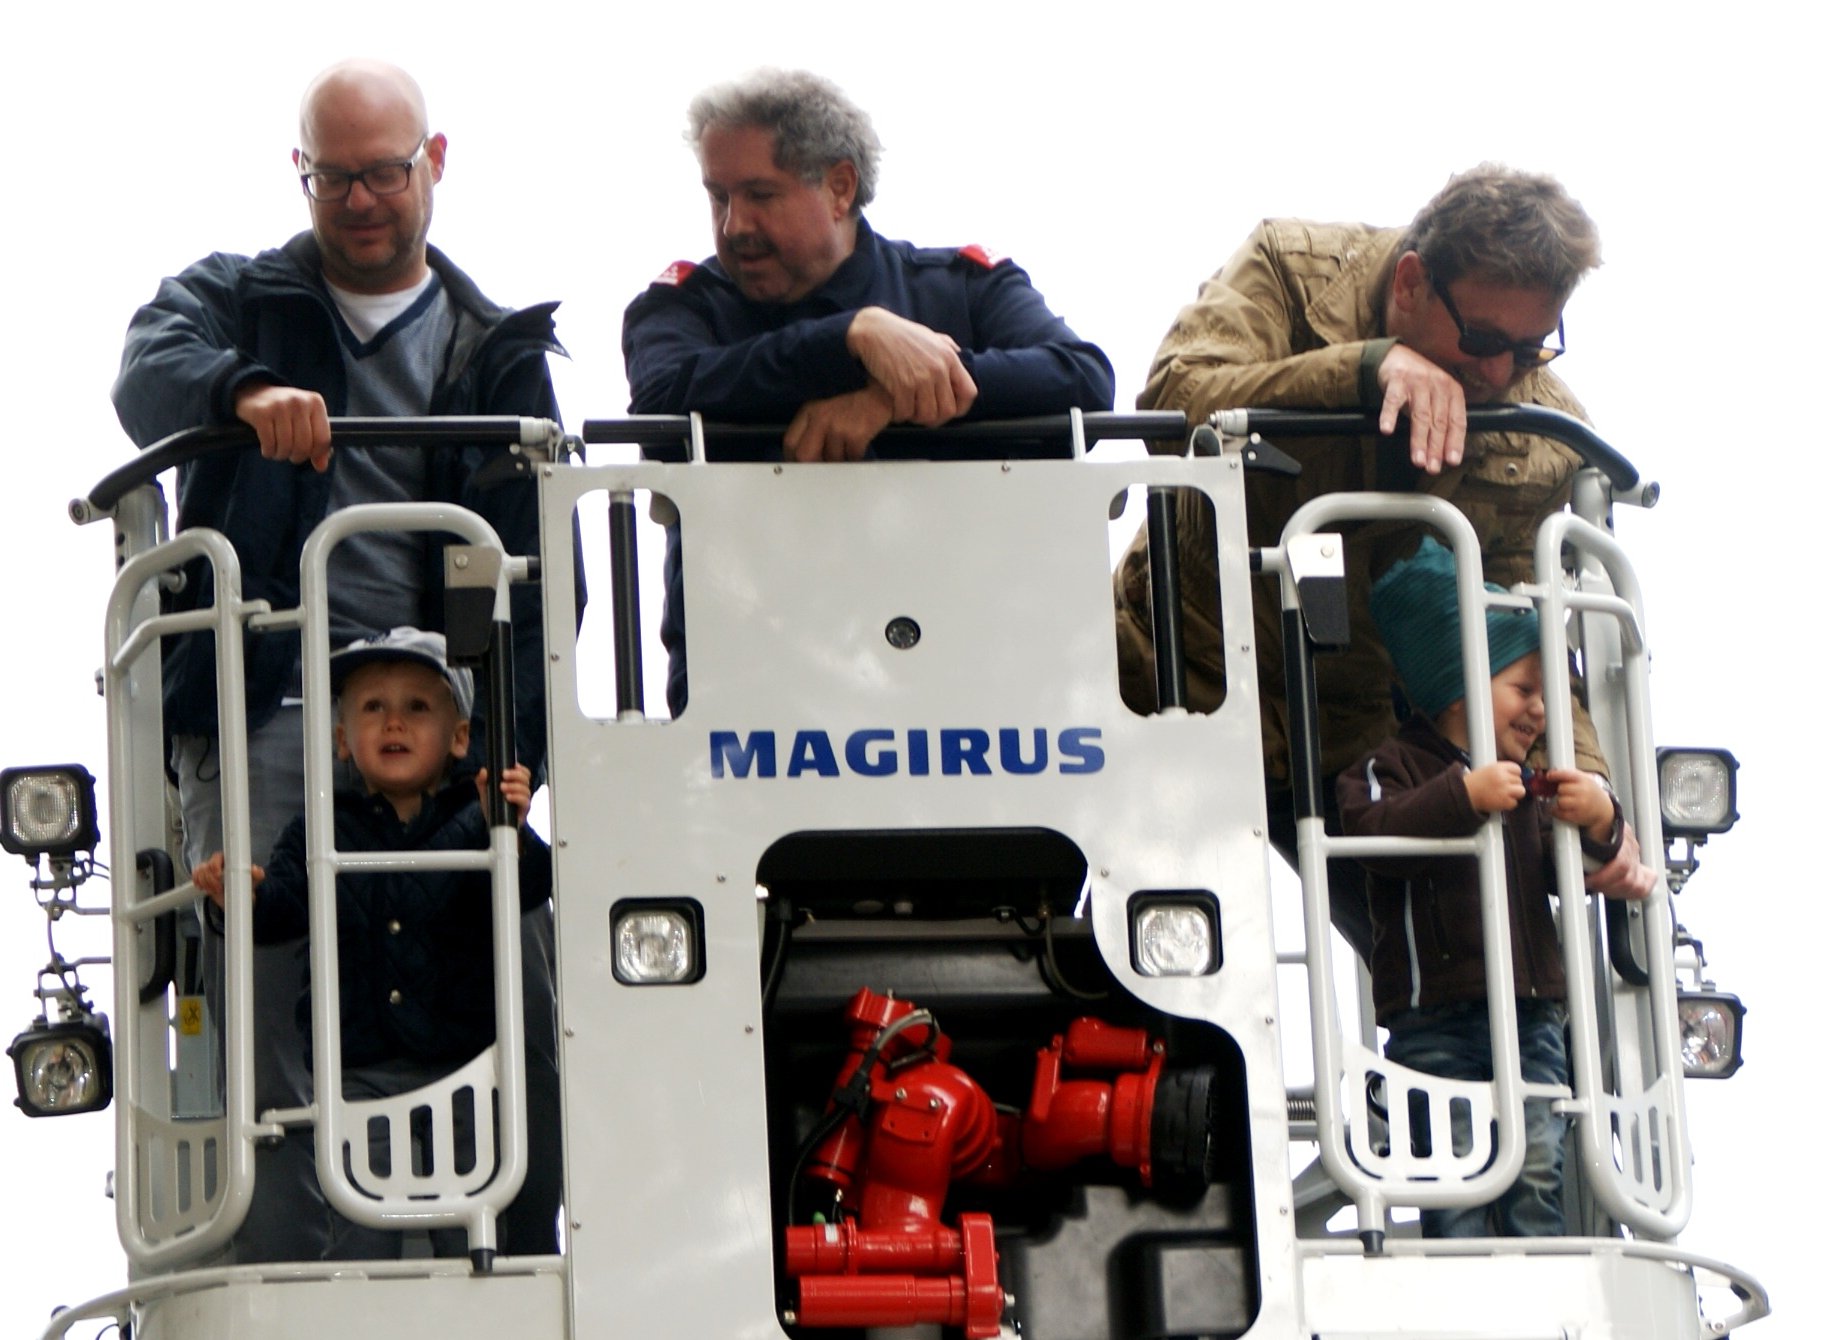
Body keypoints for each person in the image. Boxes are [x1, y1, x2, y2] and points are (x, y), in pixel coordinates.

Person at [112, 57, 569, 1261]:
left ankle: (506, 1239)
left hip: (438, 704)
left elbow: (532, 564)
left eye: (384, 172)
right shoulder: (243, 302)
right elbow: (145, 366)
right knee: (264, 956)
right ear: (300, 175)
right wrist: (242, 390)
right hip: (270, 689)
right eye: (334, 178)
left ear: (435, 163)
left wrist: (516, 746)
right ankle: (284, 1253)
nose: (361, 201)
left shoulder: (492, 347)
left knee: (503, 945)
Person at [1111, 166, 1654, 956]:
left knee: (1479, 976)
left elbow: (1518, 632)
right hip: (1175, 687)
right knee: (1142, 963)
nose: (1498, 374)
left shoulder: (1541, 428)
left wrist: (1590, 784)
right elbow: (1172, 404)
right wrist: (1365, 371)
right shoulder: (1290, 269)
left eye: (1531, 347)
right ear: (1409, 283)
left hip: (1362, 743)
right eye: (1482, 341)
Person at [622, 67, 1113, 710]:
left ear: (840, 187)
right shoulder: (684, 307)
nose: (735, 225)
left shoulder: (965, 287)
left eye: (760, 195)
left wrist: (888, 401)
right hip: (753, 711)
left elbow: (1082, 378)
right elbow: (660, 401)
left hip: (983, 702)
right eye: (719, 197)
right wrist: (851, 337)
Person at [193, 629, 556, 1259]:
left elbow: (528, 889)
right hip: (357, 1073)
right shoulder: (321, 832)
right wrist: (239, 898)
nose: (394, 723)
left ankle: (480, 1303)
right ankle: (361, 1305)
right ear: (342, 740)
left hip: (465, 1069)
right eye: (372, 708)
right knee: (361, 1228)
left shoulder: (478, 820)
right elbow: (282, 910)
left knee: (474, 1228)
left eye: (417, 706)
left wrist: (513, 831)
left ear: (460, 738)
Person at [1337, 543, 1626, 1239]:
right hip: (1436, 1017)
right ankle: (1459, 1277)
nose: (1541, 712)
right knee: (1455, 1172)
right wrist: (1462, 796)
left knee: (1538, 1166)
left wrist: (1600, 820)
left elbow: (1568, 870)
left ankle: (1538, 1278)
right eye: (1524, 691)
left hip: (1532, 1015)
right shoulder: (1392, 764)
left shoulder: (1528, 782)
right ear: (1460, 681)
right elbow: (1372, 831)